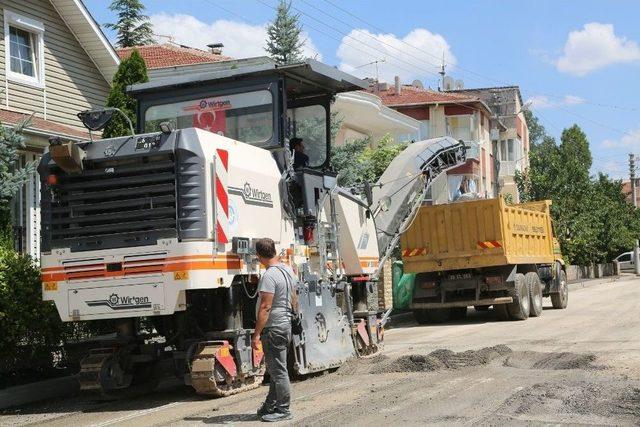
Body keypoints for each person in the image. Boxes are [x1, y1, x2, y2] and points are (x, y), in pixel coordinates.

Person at [252, 238, 296, 422]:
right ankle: (270, 406)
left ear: (259, 256)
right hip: (285, 325)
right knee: (276, 368)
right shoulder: (287, 270)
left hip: (274, 327)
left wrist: (256, 335)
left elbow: (265, 308)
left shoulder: (269, 276)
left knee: (278, 371)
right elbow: (294, 297)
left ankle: (283, 409)